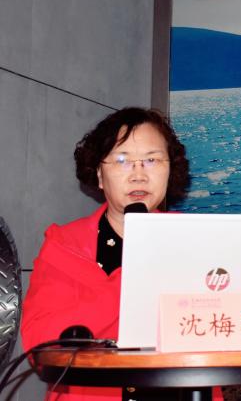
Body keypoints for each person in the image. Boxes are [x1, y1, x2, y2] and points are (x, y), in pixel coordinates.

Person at [21, 107, 223, 401]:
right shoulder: (64, 244)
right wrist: (137, 275)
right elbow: (40, 345)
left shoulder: (198, 240)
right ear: (100, 175)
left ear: (170, 171)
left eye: (152, 160)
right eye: (122, 160)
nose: (139, 175)